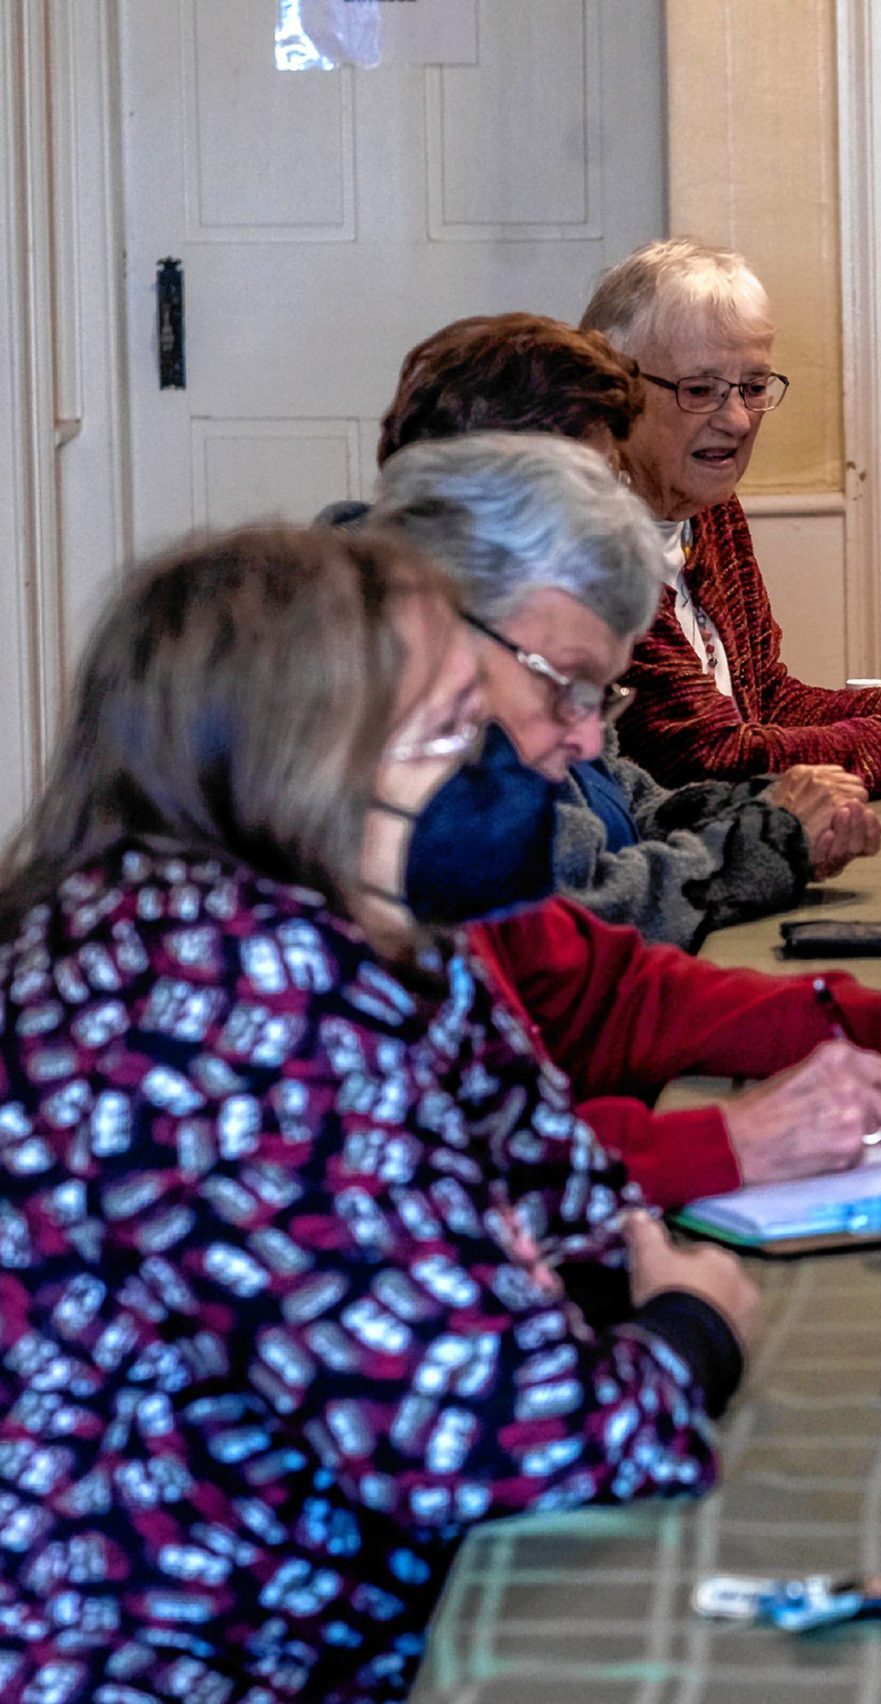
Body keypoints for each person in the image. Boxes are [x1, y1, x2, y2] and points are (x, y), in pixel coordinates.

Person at [0, 526, 754, 1700]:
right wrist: (688, 1336)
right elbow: (495, 1439)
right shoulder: (211, 992)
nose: (521, 759)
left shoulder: (375, 925)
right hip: (185, 1654)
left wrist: (540, 1297)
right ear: (302, 761)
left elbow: (575, 1206)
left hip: (325, 1585)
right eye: (453, 732)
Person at [368, 433, 881, 1207]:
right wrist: (731, 1142)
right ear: (436, 640)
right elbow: (428, 1183)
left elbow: (609, 995)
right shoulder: (319, 868)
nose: (590, 738)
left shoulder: (452, 824)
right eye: (566, 685)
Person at [365, 311, 881, 949]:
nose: (617, 498)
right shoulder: (417, 676)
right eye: (594, 476)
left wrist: (765, 810)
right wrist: (763, 843)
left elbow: (623, 797)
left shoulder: (522, 618)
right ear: (495, 484)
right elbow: (570, 923)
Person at [583, 237, 881, 786]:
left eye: (753, 387)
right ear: (616, 387)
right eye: (700, 389)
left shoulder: (710, 513)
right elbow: (710, 757)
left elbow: (766, 704)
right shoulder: (591, 542)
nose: (737, 420)